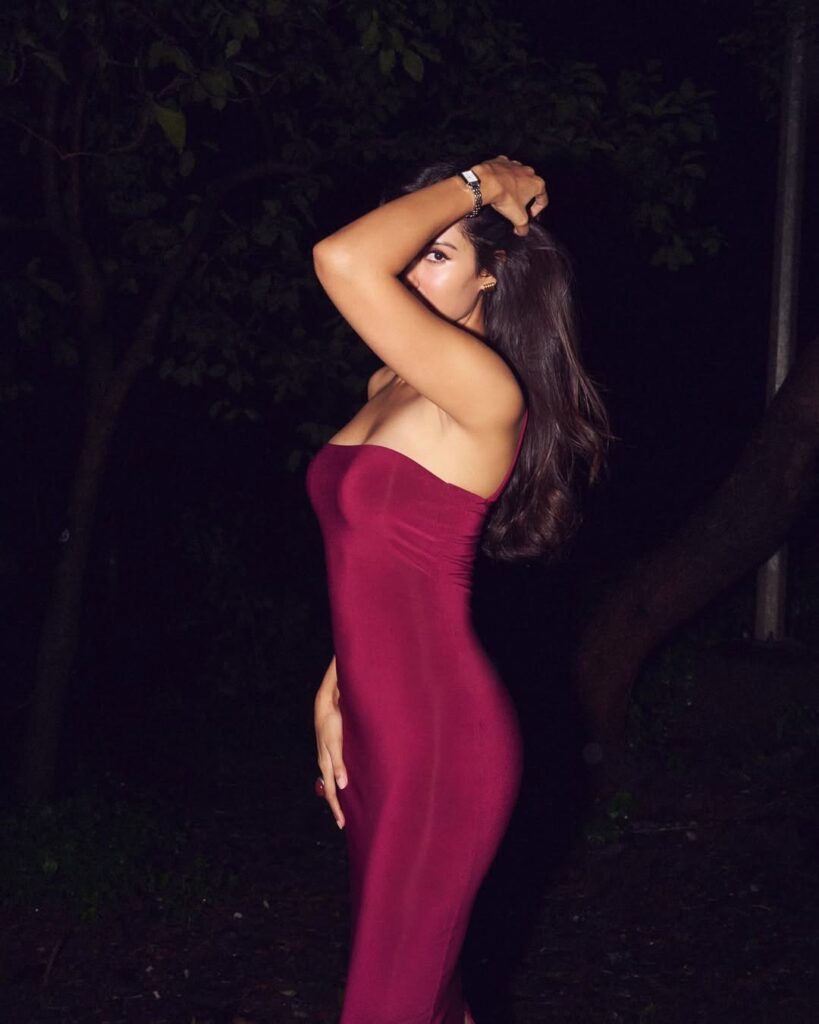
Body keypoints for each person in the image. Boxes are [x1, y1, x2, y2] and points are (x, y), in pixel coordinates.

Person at [305, 156, 610, 1023]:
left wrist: (481, 184)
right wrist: (336, 680)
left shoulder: (484, 390)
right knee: (424, 999)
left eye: (433, 254)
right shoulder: (387, 384)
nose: (403, 270)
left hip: (440, 744)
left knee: (385, 1006)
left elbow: (341, 259)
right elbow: (380, 559)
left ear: (491, 272)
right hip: (375, 733)